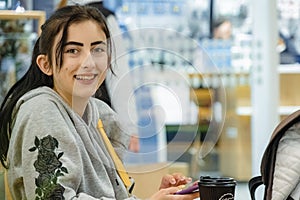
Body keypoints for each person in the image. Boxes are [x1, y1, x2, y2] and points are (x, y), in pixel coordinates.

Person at [0, 5, 199, 199]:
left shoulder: (101, 115)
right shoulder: (41, 111)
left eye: (97, 49)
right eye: (72, 51)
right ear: (46, 64)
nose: (89, 63)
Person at [62, 0, 140, 153]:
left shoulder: (61, 16)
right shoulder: (102, 19)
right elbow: (118, 73)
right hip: (96, 117)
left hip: (66, 113)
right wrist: (130, 127)